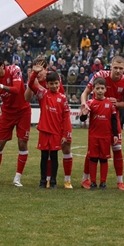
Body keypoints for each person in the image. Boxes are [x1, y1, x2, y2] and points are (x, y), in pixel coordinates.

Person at [80, 56, 124, 190]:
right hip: (97, 119)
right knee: (91, 151)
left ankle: (120, 181)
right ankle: (85, 180)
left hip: (113, 119)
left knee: (117, 149)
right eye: (115, 68)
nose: (118, 71)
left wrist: (117, 103)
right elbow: (85, 93)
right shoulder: (100, 75)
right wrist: (84, 105)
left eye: (121, 68)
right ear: (111, 66)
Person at [24, 57, 72, 188]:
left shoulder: (61, 95)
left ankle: (60, 180)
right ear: (48, 84)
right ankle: (44, 181)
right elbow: (29, 89)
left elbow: (65, 115)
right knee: (45, 156)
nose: (54, 86)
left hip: (57, 128)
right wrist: (33, 74)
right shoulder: (43, 93)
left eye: (56, 83)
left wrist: (65, 133)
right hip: (45, 129)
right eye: (52, 84)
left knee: (59, 153)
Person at [0, 55, 31, 187]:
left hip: (23, 111)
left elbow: (17, 90)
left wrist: (1, 86)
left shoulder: (14, 69)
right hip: (7, 113)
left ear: (2, 66)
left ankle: (17, 178)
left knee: (22, 143)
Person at [79, 77, 119, 190]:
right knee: (93, 158)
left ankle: (103, 182)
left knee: (103, 159)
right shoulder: (90, 103)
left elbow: (114, 120)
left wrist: (115, 134)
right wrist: (84, 114)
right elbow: (82, 119)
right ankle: (93, 182)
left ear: (106, 89)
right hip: (93, 136)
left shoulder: (110, 104)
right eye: (98, 88)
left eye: (102, 88)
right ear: (93, 90)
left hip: (106, 136)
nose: (100, 90)